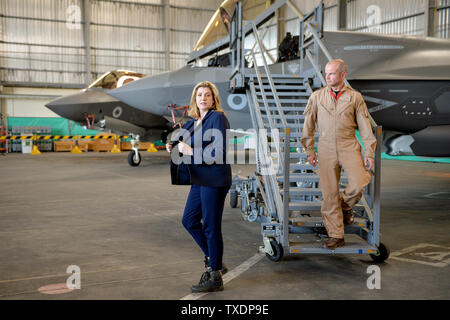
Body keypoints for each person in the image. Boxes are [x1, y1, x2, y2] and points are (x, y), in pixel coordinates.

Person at [301, 59, 376, 250]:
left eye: (332, 73)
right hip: (325, 148)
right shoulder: (317, 97)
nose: (327, 77)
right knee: (329, 193)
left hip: (348, 144)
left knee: (360, 182)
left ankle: (344, 205)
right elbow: (308, 126)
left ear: (343, 75)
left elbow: (365, 127)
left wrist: (369, 151)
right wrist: (309, 149)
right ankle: (336, 235)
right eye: (326, 73)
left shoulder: (355, 98)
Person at [166, 81, 232, 292]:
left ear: (213, 100)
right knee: (189, 220)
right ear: (195, 99)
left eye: (207, 95)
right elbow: (182, 144)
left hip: (214, 178)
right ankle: (215, 259)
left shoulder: (217, 118)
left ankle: (215, 276)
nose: (203, 98)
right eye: (199, 95)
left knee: (210, 226)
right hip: (199, 179)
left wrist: (190, 150)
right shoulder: (193, 122)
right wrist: (173, 146)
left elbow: (219, 152)